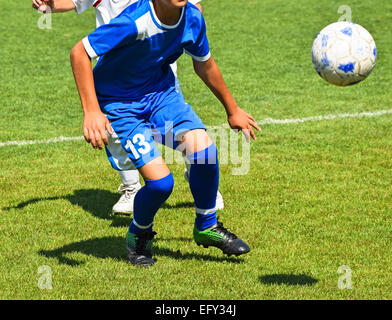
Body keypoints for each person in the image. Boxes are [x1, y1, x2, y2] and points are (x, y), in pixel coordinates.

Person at [70, 0, 260, 267]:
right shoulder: (134, 21)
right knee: (161, 185)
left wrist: (233, 109)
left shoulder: (192, 18)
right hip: (121, 105)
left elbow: (204, 63)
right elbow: (80, 52)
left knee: (205, 153)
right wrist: (91, 111)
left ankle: (206, 225)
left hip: (161, 97)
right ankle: (139, 234)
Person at [32, 0, 225, 216]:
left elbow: (192, 9)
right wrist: (48, 5)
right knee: (117, 138)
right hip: (118, 75)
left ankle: (202, 181)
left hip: (159, 70)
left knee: (179, 130)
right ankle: (132, 187)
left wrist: (188, 31)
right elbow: (74, 3)